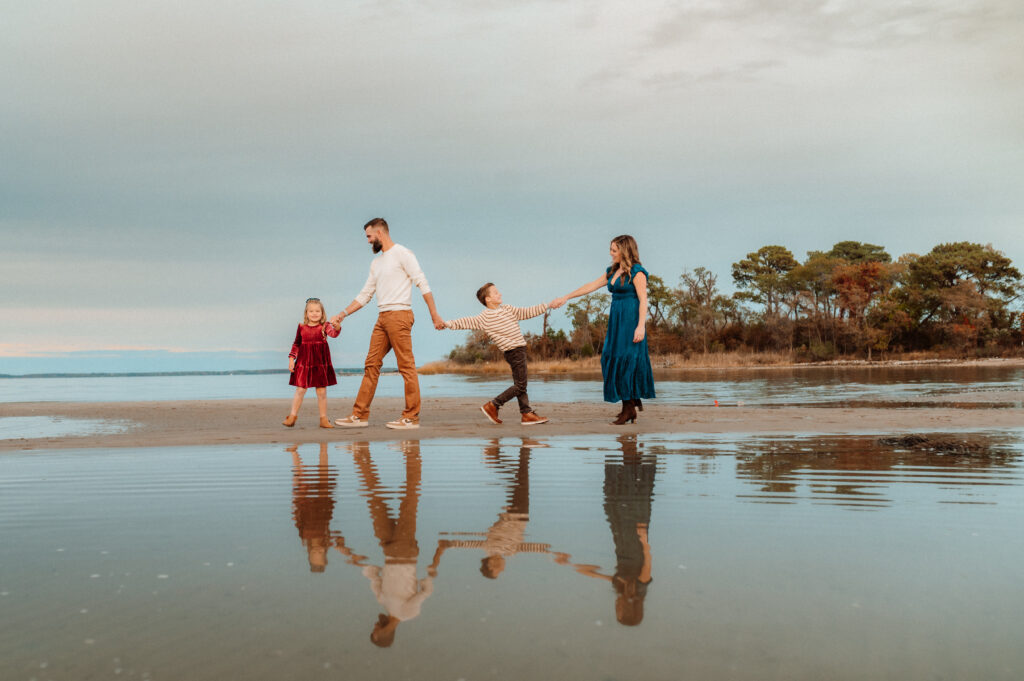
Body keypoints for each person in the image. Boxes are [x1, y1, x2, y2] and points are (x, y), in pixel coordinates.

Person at [330, 218, 444, 430]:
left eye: (369, 236)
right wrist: (343, 313)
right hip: (382, 317)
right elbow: (365, 295)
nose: (368, 241)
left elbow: (422, 282)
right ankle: (359, 415)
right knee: (371, 364)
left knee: (406, 367)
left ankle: (411, 417)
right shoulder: (376, 263)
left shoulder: (403, 254)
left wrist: (434, 315)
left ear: (380, 232)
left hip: (400, 315)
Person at [550, 235, 655, 424]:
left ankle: (628, 408)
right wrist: (567, 297)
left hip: (631, 321)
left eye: (614, 250)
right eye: (611, 249)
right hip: (616, 321)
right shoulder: (612, 271)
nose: (611, 253)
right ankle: (631, 400)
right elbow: (591, 286)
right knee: (608, 357)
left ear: (624, 250)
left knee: (627, 360)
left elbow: (643, 301)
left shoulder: (637, 272)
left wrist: (641, 326)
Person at [443, 283, 550, 425]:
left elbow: (527, 312)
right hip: (513, 352)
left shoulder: (508, 309)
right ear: (488, 299)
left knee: (520, 384)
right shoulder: (485, 318)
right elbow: (465, 322)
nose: (500, 294)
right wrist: (447, 323)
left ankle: (526, 413)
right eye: (495, 293)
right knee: (520, 386)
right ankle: (493, 405)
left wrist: (547, 306)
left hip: (519, 350)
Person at [284, 297, 341, 428]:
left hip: (320, 363)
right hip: (304, 363)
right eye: (311, 311)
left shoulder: (325, 326)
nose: (314, 314)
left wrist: (337, 326)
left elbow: (333, 334)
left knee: (321, 392)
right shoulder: (301, 327)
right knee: (300, 390)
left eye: (317, 311)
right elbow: (296, 344)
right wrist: (291, 359)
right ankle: (292, 416)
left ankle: (323, 419)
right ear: (306, 313)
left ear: (322, 313)